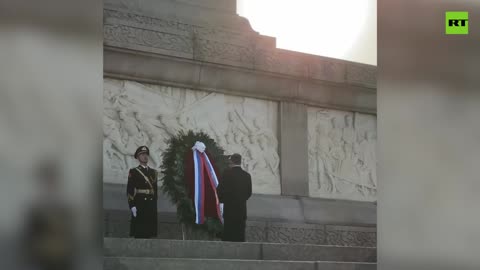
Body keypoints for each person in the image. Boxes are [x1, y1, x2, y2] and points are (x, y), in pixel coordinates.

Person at [217, 153, 252, 242]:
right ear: (240, 162)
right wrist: (241, 200)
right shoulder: (247, 176)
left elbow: (220, 190)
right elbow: (249, 193)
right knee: (240, 235)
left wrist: (222, 200)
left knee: (228, 234)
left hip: (229, 210)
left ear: (231, 161)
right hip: (241, 210)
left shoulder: (226, 174)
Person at [126, 146, 158, 238]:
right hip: (140, 203)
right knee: (140, 231)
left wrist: (155, 205)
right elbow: (130, 190)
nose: (145, 156)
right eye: (142, 154)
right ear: (138, 157)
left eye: (146, 154)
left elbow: (155, 191)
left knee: (150, 232)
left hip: (151, 204)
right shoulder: (134, 171)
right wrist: (132, 205)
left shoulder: (154, 172)